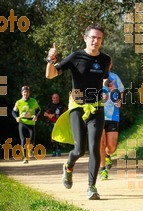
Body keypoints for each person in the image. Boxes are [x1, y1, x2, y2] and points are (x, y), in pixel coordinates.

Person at [46, 23, 111, 200]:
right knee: (79, 150)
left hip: (96, 107)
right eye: (92, 37)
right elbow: (50, 75)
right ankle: (68, 166)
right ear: (85, 38)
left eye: (99, 38)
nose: (95, 41)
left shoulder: (105, 60)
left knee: (94, 148)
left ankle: (92, 187)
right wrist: (50, 60)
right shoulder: (76, 57)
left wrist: (108, 86)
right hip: (77, 107)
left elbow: (104, 78)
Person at [100, 64, 125, 180]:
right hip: (98, 115)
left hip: (113, 115)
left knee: (111, 147)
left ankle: (108, 154)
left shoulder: (115, 77)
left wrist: (114, 91)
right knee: (101, 142)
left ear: (110, 66)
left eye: (107, 64)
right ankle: (102, 169)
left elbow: (121, 95)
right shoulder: (94, 77)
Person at [12, 86, 41, 163]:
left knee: (32, 140)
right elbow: (13, 111)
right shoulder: (18, 102)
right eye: (24, 92)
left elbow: (38, 110)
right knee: (23, 140)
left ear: (29, 93)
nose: (25, 93)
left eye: (27, 92)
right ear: (22, 93)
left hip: (31, 123)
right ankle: (25, 157)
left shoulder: (33, 101)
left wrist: (36, 116)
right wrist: (16, 117)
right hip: (22, 123)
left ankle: (30, 150)